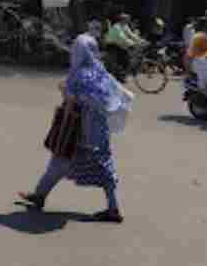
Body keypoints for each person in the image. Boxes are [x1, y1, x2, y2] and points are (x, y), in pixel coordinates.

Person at [17, 32, 133, 223]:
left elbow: (72, 100)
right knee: (105, 167)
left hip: (79, 129)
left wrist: (63, 92)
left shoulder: (78, 74)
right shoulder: (100, 69)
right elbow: (107, 97)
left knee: (60, 160)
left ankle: (39, 196)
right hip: (99, 129)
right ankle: (113, 208)